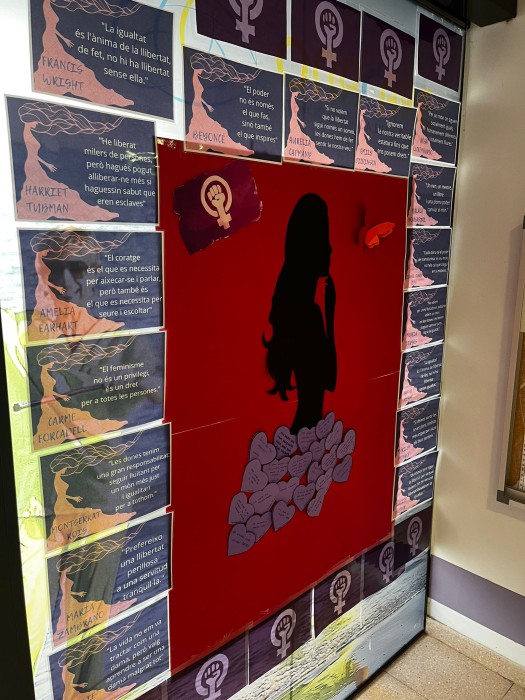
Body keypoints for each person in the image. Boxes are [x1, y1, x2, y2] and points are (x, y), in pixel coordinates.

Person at [264, 193, 337, 434]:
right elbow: (329, 380)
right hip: (307, 434)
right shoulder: (306, 315)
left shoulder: (296, 308)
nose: (330, 248)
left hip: (305, 435)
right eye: (323, 239)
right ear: (308, 246)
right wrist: (330, 314)